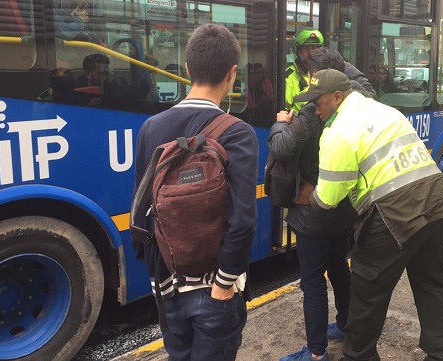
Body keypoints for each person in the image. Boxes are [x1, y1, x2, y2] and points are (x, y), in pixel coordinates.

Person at [298, 68, 443, 361]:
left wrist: (307, 197)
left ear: (338, 96)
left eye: (318, 102)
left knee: (367, 293)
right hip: (437, 202)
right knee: (432, 283)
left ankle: (358, 356)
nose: (315, 109)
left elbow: (328, 198)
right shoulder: (384, 110)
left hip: (393, 215)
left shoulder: (337, 133)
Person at [131, 24, 258, 361]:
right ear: (233, 74)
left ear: (187, 70)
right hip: (215, 287)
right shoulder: (239, 133)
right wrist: (224, 285)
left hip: (167, 286)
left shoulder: (151, 128)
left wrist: (158, 278)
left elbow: (141, 210)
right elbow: (243, 220)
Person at [272, 48, 374, 361]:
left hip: (312, 207)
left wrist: (279, 123)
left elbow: (283, 146)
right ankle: (345, 325)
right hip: (342, 204)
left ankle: (316, 354)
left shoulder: (310, 110)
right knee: (340, 270)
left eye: (313, 75)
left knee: (313, 281)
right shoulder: (358, 103)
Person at [285, 28, 324, 113]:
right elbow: (285, 112)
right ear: (298, 51)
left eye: (314, 48)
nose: (310, 52)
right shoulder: (289, 76)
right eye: (305, 48)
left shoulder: (326, 73)